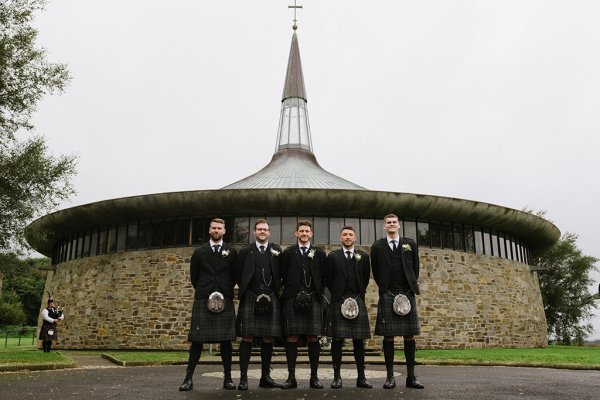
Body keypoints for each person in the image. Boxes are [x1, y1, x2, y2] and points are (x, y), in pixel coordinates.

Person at [179, 218, 238, 392]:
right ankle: (188, 379)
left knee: (226, 341)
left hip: (224, 298)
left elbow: (234, 275)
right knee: (197, 341)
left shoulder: (232, 251)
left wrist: (223, 289)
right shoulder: (199, 252)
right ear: (209, 230)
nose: (217, 230)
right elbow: (194, 277)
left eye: (220, 228)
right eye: (214, 227)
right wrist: (206, 290)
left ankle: (228, 379)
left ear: (224, 231)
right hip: (203, 298)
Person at [371, 214, 425, 389]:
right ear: (384, 226)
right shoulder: (377, 246)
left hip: (407, 291)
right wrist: (385, 289)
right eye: (388, 223)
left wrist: (409, 286)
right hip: (387, 293)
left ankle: (411, 377)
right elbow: (376, 271)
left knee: (409, 334)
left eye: (394, 222)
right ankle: (390, 377)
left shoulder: (410, 244)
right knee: (388, 336)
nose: (391, 225)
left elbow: (415, 268)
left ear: (399, 225)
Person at [235, 219, 283, 390]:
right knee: (247, 336)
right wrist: (249, 292)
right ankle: (243, 378)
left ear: (269, 232)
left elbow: (280, 273)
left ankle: (265, 377)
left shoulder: (276, 250)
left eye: (265, 229)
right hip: (250, 296)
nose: (263, 232)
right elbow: (238, 274)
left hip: (271, 297)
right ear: (254, 232)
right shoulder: (245, 251)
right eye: (260, 229)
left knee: (268, 337)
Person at [280, 220, 326, 389]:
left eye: (307, 231)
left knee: (313, 336)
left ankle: (314, 378)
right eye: (301, 231)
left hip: (313, 297)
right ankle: (291, 378)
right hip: (292, 298)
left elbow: (324, 275)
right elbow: (282, 275)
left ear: (311, 234)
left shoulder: (319, 253)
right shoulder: (288, 253)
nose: (304, 234)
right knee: (292, 336)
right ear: (296, 233)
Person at [325, 225, 372, 389]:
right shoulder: (332, 256)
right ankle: (337, 377)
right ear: (340, 238)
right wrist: (338, 295)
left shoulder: (363, 257)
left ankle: (361, 377)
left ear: (355, 238)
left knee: (359, 340)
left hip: (357, 298)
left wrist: (357, 294)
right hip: (339, 300)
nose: (347, 237)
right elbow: (328, 280)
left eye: (350, 235)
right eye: (344, 235)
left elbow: (365, 278)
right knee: (337, 340)